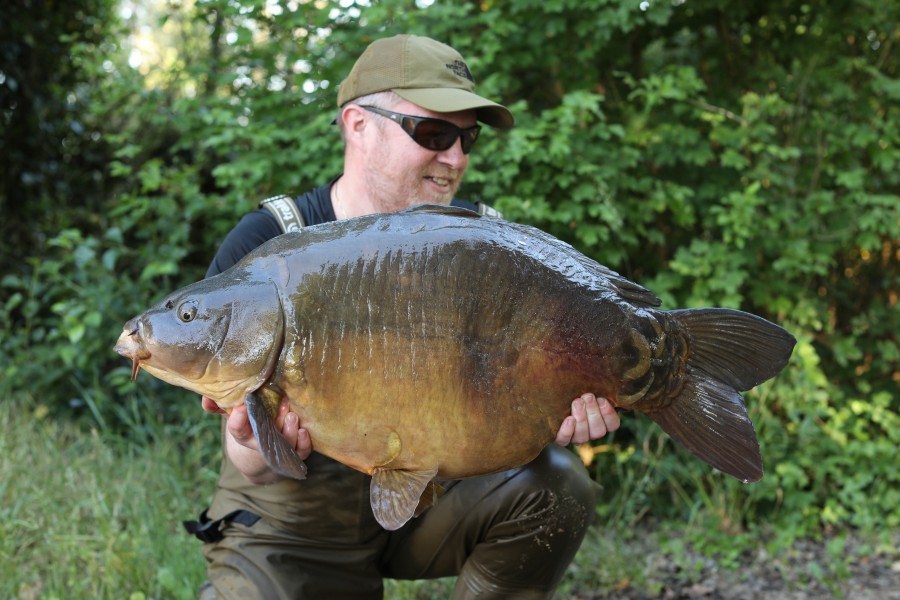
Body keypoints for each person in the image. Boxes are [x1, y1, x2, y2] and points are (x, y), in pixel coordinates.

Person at [189, 34, 620, 599]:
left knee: (560, 485)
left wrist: (564, 403)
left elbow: (522, 399)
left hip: (432, 500)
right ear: (357, 124)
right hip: (292, 519)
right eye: (434, 133)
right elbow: (249, 462)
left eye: (468, 137)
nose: (457, 158)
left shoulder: (483, 244)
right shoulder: (270, 244)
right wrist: (262, 443)